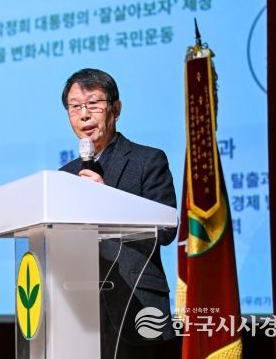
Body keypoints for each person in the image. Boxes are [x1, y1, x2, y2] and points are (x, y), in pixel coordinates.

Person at [59, 68, 177, 359]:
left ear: (116, 108)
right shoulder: (65, 175)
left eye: (93, 104)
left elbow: (166, 230)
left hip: (136, 305)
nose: (84, 115)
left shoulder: (147, 160)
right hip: (77, 312)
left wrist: (107, 199)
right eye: (75, 107)